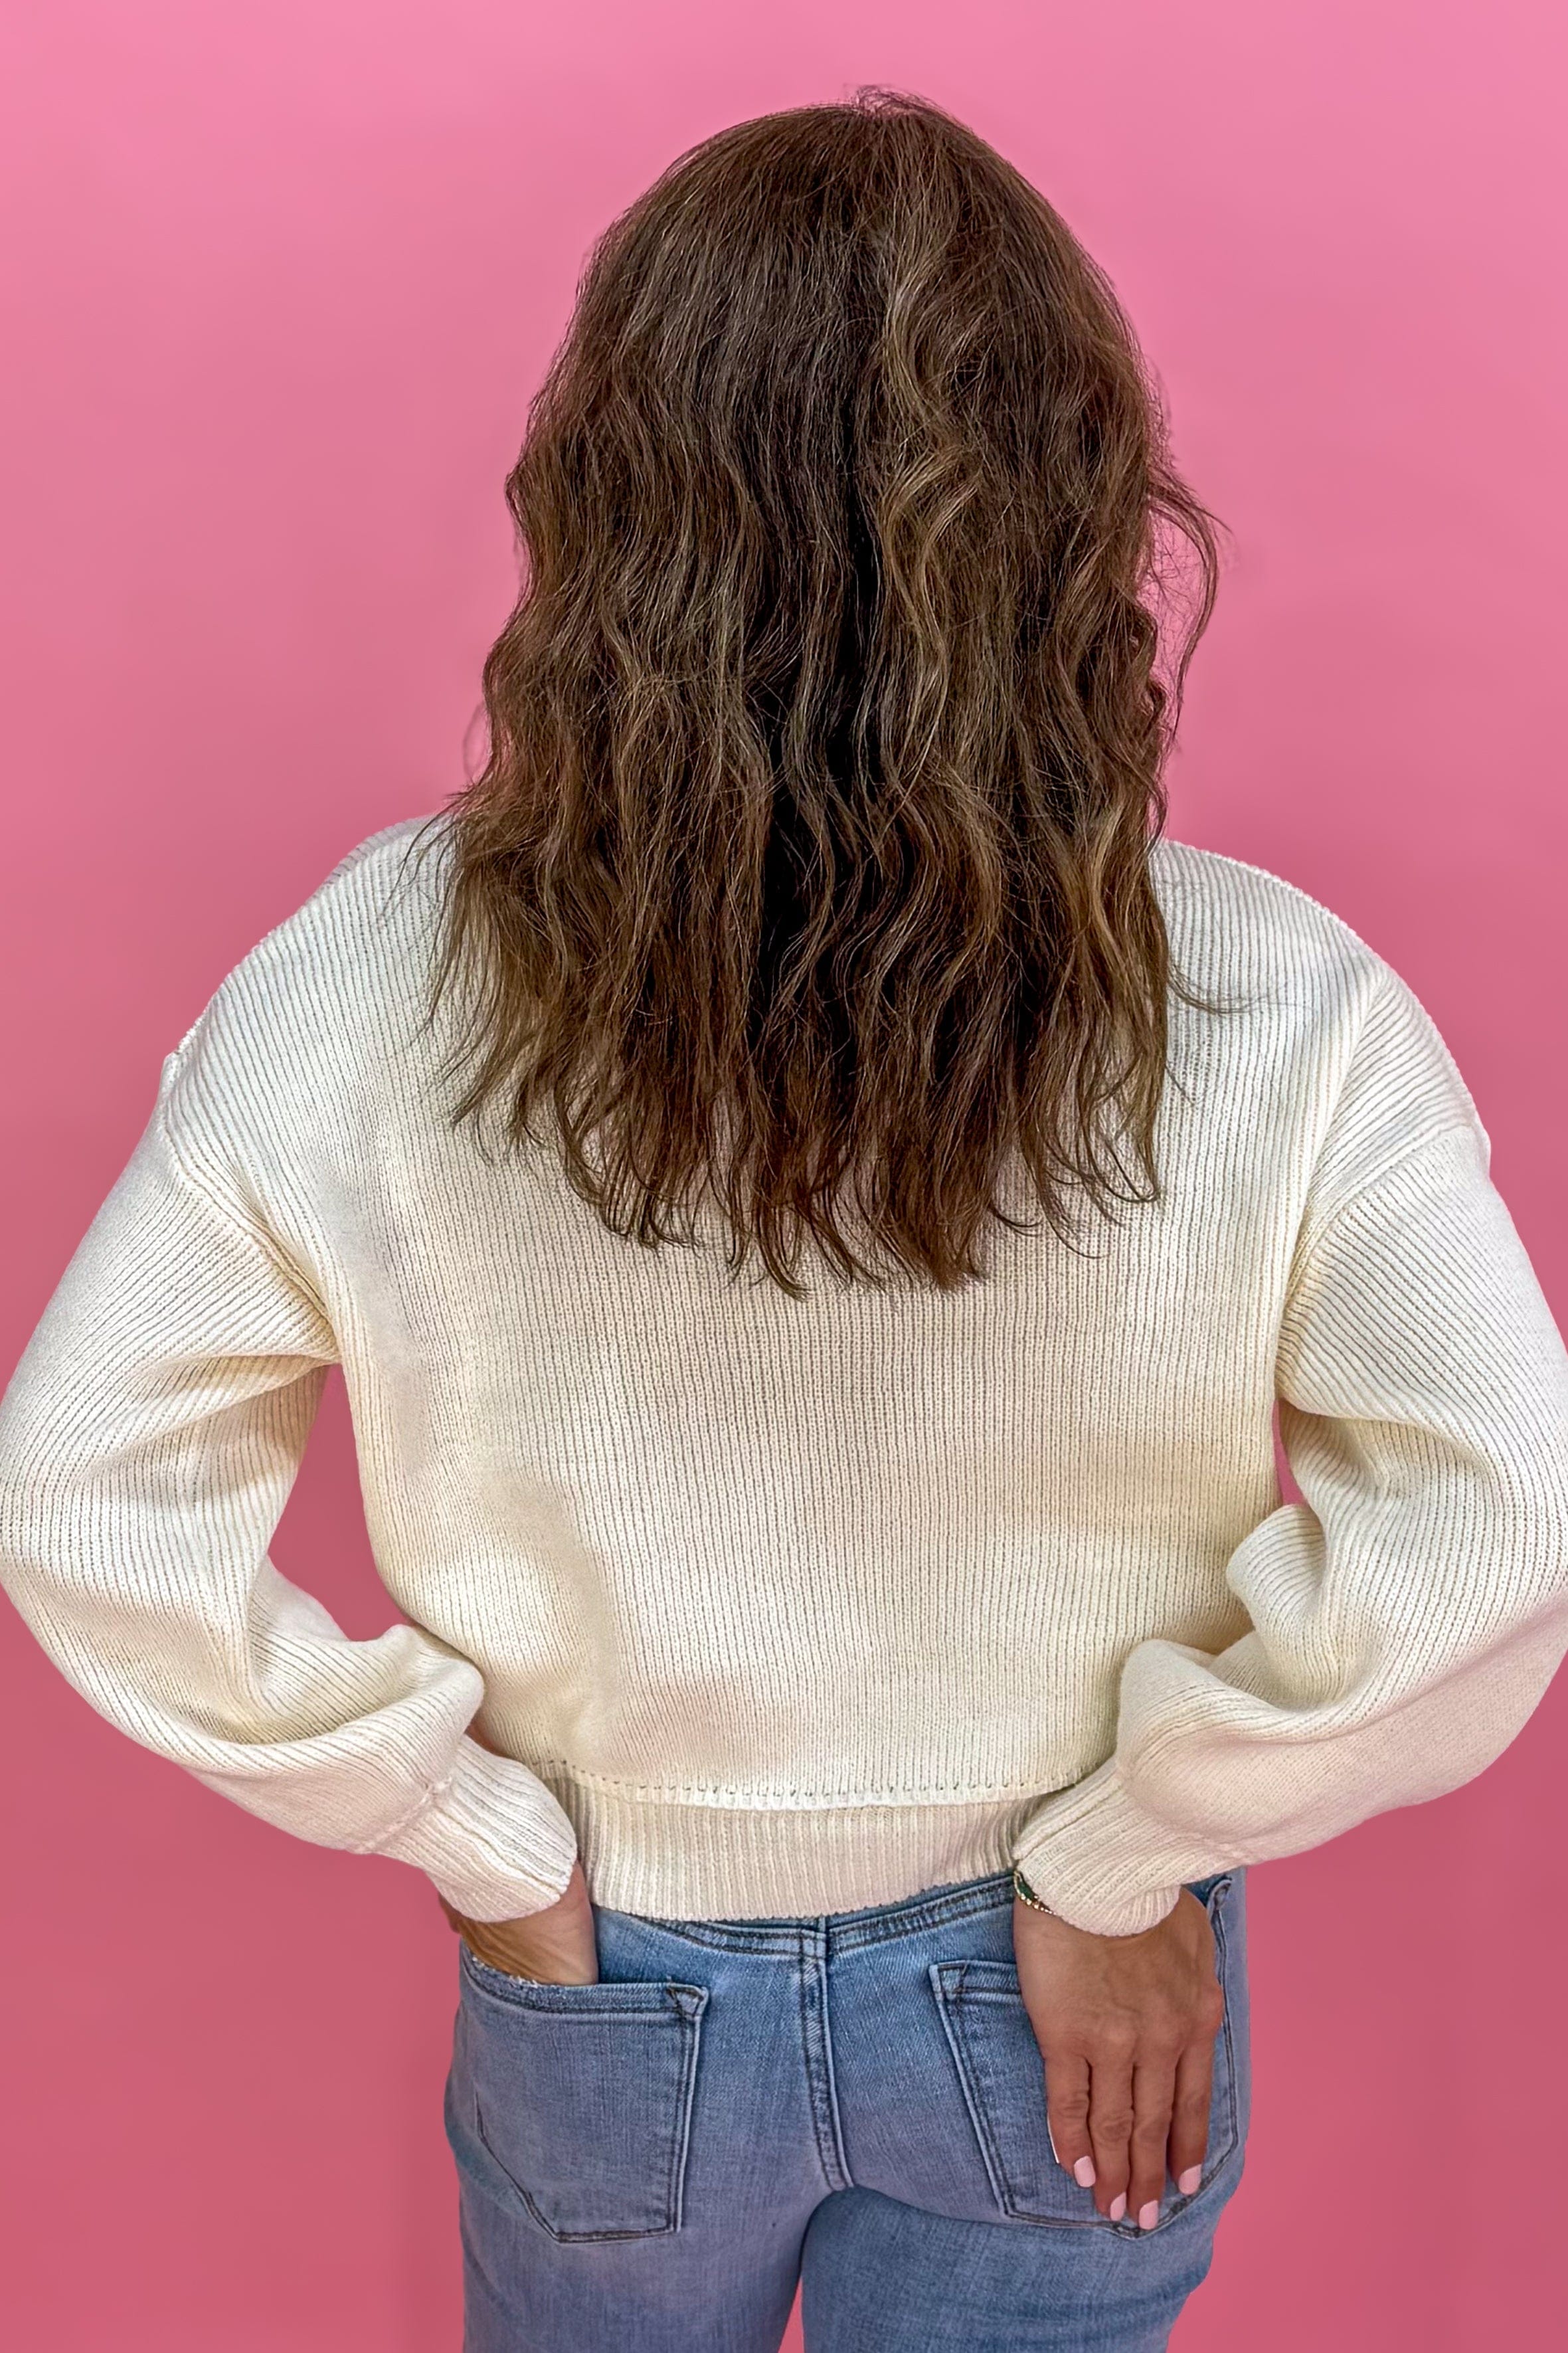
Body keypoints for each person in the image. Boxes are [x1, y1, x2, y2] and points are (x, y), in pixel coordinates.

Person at [2, 88, 1566, 2353]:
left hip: (605, 1993)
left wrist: (479, 1842)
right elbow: (1504, 1520)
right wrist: (1124, 1850)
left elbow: (82, 1490)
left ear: (609, 499)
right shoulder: (1270, 1000)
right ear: (1074, 514)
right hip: (1062, 1985)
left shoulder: (369, 975)